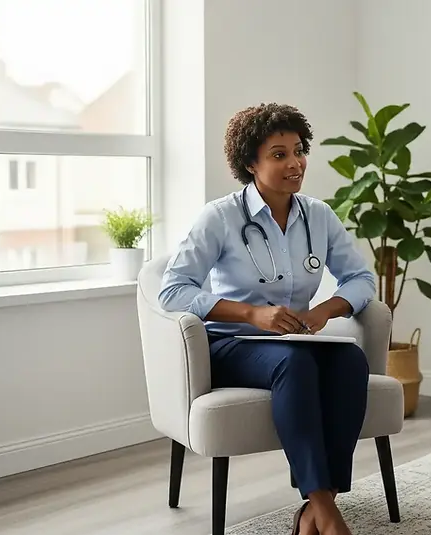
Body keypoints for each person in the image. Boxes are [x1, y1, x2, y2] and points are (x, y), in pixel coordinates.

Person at [158, 103, 376, 535]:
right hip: (230, 345)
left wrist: (324, 310)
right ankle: (325, 513)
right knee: (294, 366)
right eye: (279, 155)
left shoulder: (318, 215)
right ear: (249, 164)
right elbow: (173, 289)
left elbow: (361, 278)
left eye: (298, 150)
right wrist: (251, 313)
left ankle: (316, 511)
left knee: (351, 361)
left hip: (297, 343)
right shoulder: (220, 217)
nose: (295, 164)